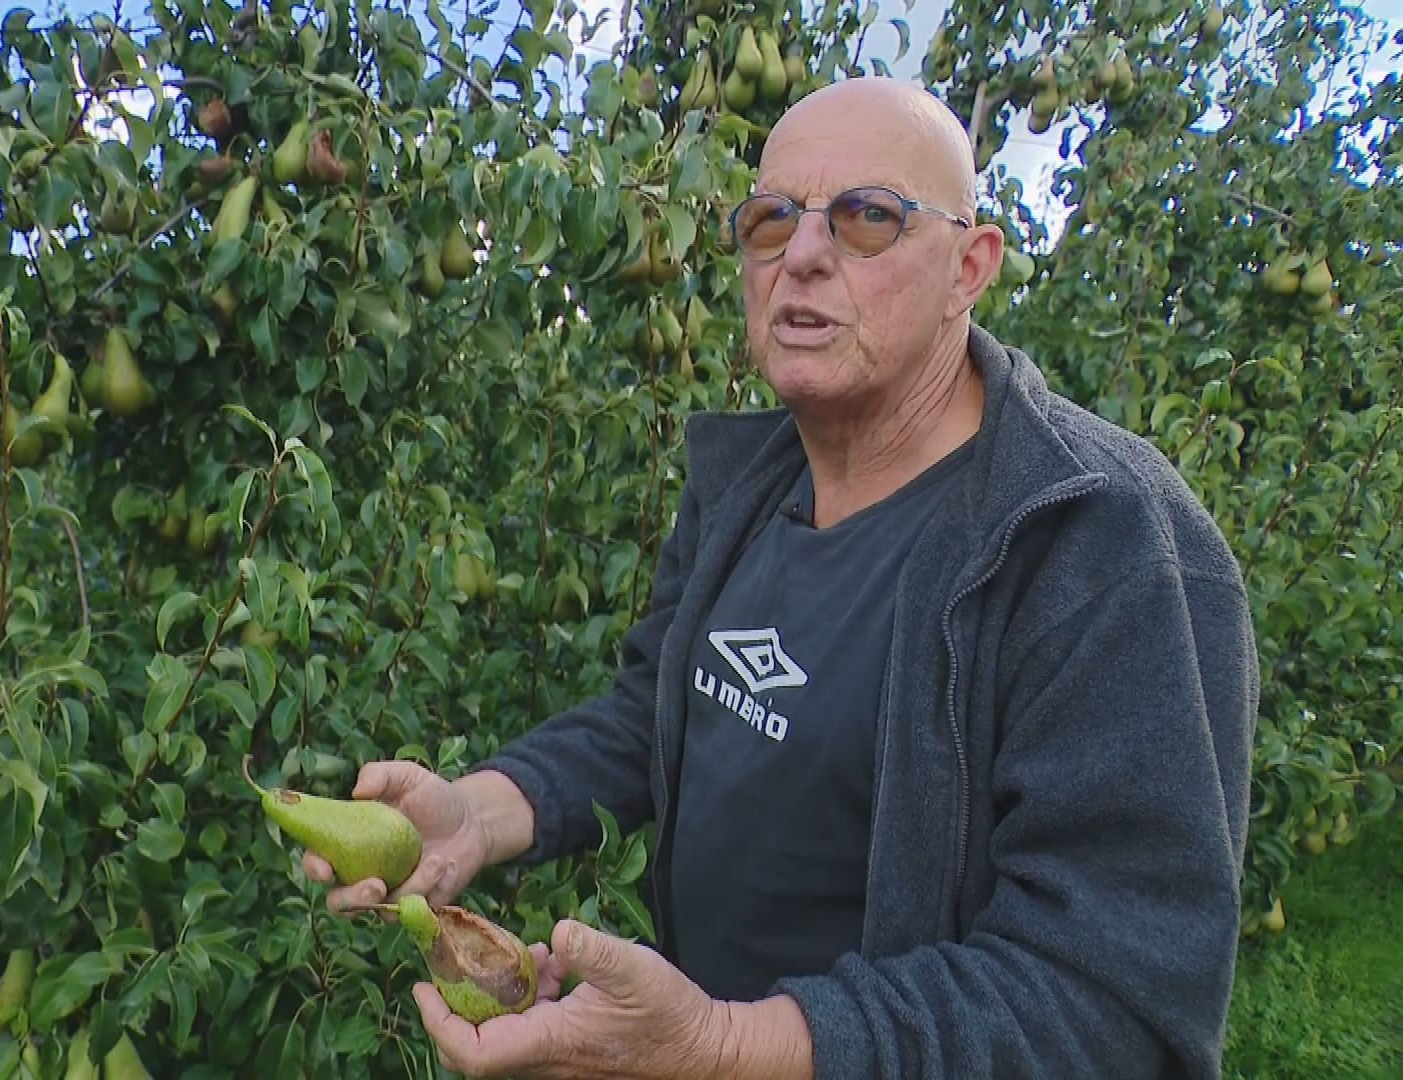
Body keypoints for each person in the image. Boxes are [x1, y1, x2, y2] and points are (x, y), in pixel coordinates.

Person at [302, 75, 1260, 1079]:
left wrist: (727, 1048)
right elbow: (660, 710)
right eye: (771, 219)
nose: (803, 254)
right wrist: (479, 814)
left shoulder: (1099, 541)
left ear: (969, 267)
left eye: (868, 218)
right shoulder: (751, 485)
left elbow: (1109, 1005)